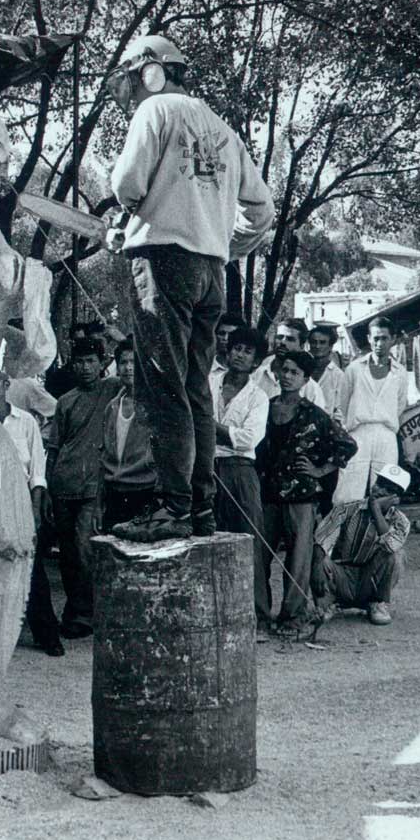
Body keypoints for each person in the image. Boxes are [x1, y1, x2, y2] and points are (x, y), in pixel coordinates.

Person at [106, 33, 275, 541]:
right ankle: (200, 507)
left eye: (134, 82)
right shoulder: (222, 128)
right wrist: (225, 244)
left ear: (151, 72)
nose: (132, 94)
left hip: (163, 263)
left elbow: (126, 184)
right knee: (197, 388)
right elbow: (262, 209)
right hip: (210, 271)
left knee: (163, 384)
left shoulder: (154, 111)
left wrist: (129, 218)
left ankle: (171, 506)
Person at [256, 350, 357, 635]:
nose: (287, 376)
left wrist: (320, 470)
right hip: (266, 494)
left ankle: (292, 618)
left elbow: (347, 445)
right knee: (259, 557)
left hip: (301, 497)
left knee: (298, 561)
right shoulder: (265, 407)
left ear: (305, 379)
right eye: (285, 370)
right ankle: (260, 616)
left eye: (295, 372)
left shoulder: (314, 414)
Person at [48, 338, 124, 636]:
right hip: (63, 483)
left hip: (94, 485)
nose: (85, 368)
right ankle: (75, 607)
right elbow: (55, 447)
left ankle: (86, 612)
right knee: (67, 552)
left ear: (102, 363)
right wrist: (48, 487)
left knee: (85, 547)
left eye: (91, 361)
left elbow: (137, 365)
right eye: (79, 362)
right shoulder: (66, 401)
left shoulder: (112, 389)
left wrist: (119, 338)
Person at [0, 371, 62, 657]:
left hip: (19, 496)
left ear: (6, 384)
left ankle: (46, 633)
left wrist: (35, 506)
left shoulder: (25, 421)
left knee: (30, 564)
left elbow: (37, 472)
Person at [211, 326, 271, 624]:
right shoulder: (208, 383)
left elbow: (248, 439)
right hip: (206, 467)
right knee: (209, 536)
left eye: (248, 352)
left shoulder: (258, 397)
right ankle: (216, 612)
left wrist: (210, 427)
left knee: (248, 538)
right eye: (237, 348)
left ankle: (257, 613)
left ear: (256, 361)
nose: (240, 355)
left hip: (240, 471)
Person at [310, 464, 413, 629]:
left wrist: (376, 509)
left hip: (369, 579)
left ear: (396, 499)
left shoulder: (401, 521)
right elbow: (321, 540)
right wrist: (317, 567)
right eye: (379, 483)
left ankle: (377, 603)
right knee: (316, 554)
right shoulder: (347, 509)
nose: (379, 490)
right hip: (342, 574)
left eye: (388, 489)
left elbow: (389, 546)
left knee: (397, 555)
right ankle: (328, 604)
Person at [334, 317, 409, 503]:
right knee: (349, 487)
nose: (379, 343)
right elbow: (342, 403)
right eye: (376, 338)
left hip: (386, 434)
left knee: (385, 489)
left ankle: (380, 523)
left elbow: (400, 404)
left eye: (384, 338)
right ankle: (346, 521)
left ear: (393, 339)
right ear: (369, 339)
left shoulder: (400, 372)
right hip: (357, 431)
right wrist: (347, 429)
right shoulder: (354, 369)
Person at [99, 339, 157, 529]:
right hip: (114, 491)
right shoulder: (112, 407)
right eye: (123, 362)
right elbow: (103, 454)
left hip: (145, 489)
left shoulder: (155, 405)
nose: (128, 368)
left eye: (134, 362)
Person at [256, 318, 328, 409]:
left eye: (290, 339)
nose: (283, 342)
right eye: (280, 337)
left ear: (301, 346)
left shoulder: (311, 388)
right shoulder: (256, 375)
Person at [307, 321, 348, 422]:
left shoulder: (338, 376)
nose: (317, 346)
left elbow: (340, 409)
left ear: (330, 346)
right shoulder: (300, 369)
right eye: (314, 342)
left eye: (322, 342)